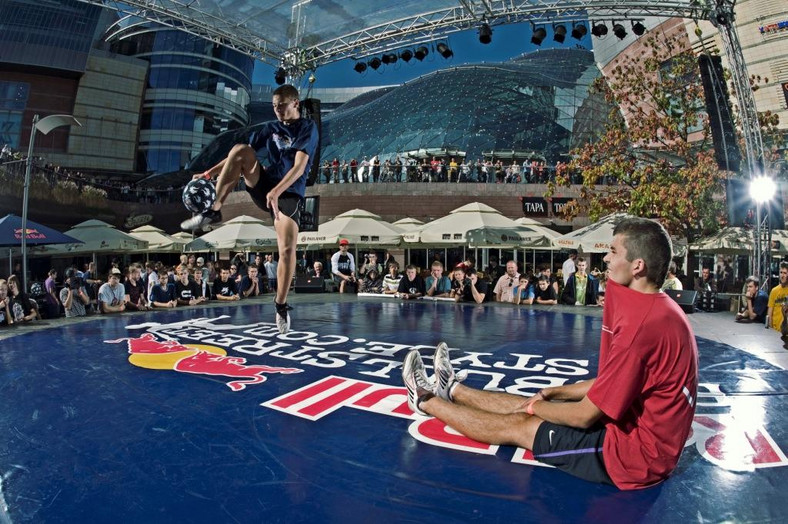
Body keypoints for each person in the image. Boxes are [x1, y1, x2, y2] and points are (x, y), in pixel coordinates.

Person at [402, 217, 699, 490]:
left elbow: (584, 417)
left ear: (637, 266)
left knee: (525, 424)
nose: (605, 258)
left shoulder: (643, 326)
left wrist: (535, 408)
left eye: (613, 251)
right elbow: (613, 384)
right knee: (540, 400)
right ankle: (452, 389)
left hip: (635, 457)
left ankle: (424, 399)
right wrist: (554, 391)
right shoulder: (659, 309)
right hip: (636, 432)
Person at [181, 84, 318, 334]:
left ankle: (280, 305)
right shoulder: (271, 128)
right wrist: (210, 173)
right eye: (274, 106)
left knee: (287, 250)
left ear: (296, 103)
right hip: (265, 184)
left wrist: (276, 192)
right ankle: (214, 209)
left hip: (288, 192)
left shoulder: (308, 128)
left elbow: (299, 167)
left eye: (282, 105)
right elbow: (235, 157)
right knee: (240, 150)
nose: (277, 110)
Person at [766, 262, 788, 332]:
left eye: (785, 273)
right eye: (781, 272)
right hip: (775, 331)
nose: (782, 275)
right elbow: (770, 312)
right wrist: (771, 330)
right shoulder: (774, 291)